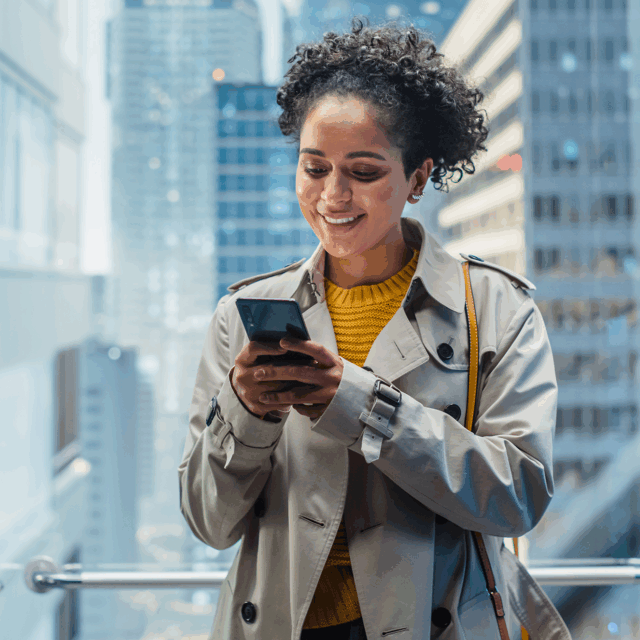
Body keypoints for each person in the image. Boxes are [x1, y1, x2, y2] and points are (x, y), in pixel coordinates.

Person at [178, 19, 571, 640]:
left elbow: (518, 497)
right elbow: (208, 522)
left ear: (417, 178)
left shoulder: (495, 307)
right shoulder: (244, 314)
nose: (333, 195)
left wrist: (359, 405)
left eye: (363, 172)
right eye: (314, 168)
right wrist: (247, 411)